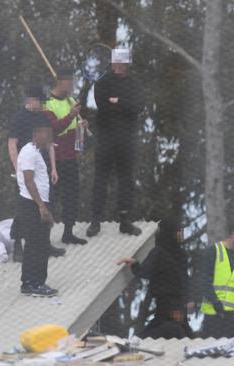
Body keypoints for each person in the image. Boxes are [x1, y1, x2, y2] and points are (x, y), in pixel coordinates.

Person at [87, 48, 145, 237]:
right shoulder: (102, 82)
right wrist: (124, 105)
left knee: (126, 179)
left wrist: (118, 101)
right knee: (101, 178)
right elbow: (102, 104)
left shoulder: (135, 84)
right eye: (115, 64)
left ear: (127, 64)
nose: (118, 67)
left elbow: (138, 106)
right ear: (111, 64)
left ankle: (125, 220)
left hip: (127, 139)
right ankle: (95, 220)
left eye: (122, 64)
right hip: (105, 138)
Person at [8, 85, 61, 261]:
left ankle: (45, 243)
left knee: (47, 203)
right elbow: (12, 145)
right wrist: (18, 169)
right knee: (23, 208)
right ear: (31, 100)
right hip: (26, 166)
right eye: (40, 101)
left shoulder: (43, 117)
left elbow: (50, 144)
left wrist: (53, 168)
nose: (42, 104)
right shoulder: (19, 118)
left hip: (42, 166)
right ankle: (17, 245)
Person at [116, 218, 192, 339]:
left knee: (167, 330)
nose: (181, 234)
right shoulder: (175, 254)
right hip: (174, 304)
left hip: (169, 304)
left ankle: (135, 344)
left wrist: (134, 264)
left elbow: (144, 272)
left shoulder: (162, 253)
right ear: (171, 232)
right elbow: (185, 279)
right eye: (179, 231)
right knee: (177, 331)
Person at [17, 116, 61, 296]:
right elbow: (29, 181)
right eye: (46, 133)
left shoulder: (37, 152)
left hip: (37, 202)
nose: (49, 137)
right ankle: (36, 283)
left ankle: (28, 282)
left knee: (34, 244)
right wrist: (42, 207)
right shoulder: (28, 152)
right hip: (32, 204)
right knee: (40, 244)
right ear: (36, 133)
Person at [44, 69, 88, 245]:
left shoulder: (71, 101)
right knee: (50, 198)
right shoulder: (47, 103)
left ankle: (68, 233)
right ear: (59, 81)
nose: (72, 85)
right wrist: (70, 116)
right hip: (54, 160)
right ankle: (44, 238)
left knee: (72, 197)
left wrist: (82, 128)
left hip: (70, 158)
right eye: (69, 81)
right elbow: (52, 130)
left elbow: (77, 137)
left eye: (73, 81)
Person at [200, 222, 234, 338]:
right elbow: (205, 281)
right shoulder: (213, 251)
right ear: (233, 235)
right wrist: (215, 302)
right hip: (213, 315)